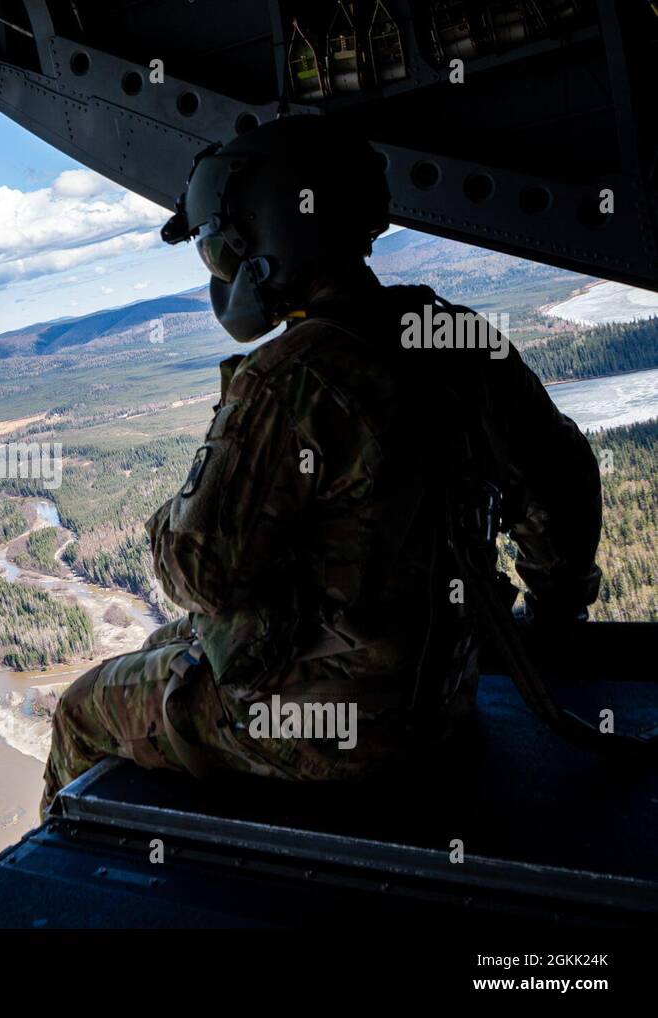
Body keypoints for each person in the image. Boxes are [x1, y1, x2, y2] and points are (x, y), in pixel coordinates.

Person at [41, 115, 602, 816]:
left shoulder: (291, 376)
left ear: (259, 238)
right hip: (444, 701)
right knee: (168, 643)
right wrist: (553, 614)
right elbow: (563, 481)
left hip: (325, 735)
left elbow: (203, 571)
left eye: (221, 246)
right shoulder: (457, 336)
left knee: (81, 711)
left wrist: (163, 525)